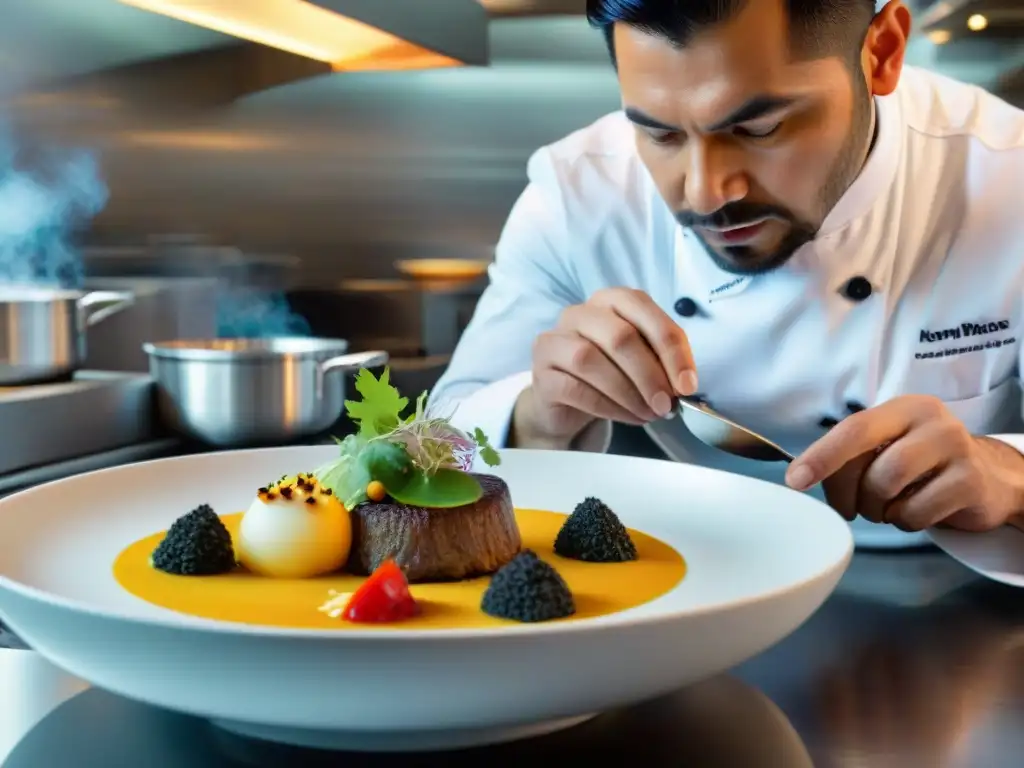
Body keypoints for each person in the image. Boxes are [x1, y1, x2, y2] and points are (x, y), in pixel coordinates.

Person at [430, 0, 1024, 535]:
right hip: (698, 566)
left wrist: (1011, 476)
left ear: (882, 52)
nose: (706, 192)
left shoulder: (1007, 175)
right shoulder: (579, 194)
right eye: (659, 134)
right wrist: (537, 416)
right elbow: (432, 450)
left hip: (952, 587)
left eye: (758, 128)